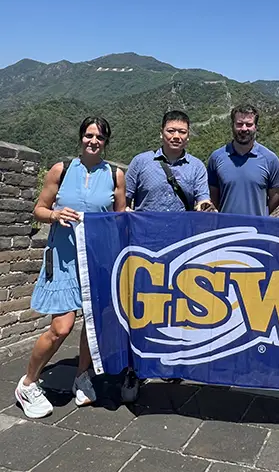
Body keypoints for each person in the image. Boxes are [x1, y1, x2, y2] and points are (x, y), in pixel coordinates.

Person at [15, 117, 126, 418]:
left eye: (99, 137)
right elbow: (38, 209)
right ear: (81, 139)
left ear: (106, 141)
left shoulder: (116, 175)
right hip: (63, 258)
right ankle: (27, 383)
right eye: (89, 135)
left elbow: (119, 218)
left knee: (91, 325)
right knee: (60, 328)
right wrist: (54, 215)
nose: (93, 141)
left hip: (97, 260)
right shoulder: (61, 170)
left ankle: (82, 375)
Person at [123, 109, 214, 401]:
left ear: (189, 135)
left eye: (182, 132)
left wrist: (204, 207)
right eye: (171, 130)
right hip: (143, 249)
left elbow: (202, 199)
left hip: (180, 251)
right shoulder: (141, 162)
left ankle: (169, 361)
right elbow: (124, 201)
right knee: (140, 310)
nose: (176, 136)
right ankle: (134, 370)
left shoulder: (197, 166)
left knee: (174, 309)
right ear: (162, 132)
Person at [207, 104, 279, 216]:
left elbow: (276, 195)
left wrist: (261, 214)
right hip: (225, 229)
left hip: (256, 230)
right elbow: (213, 196)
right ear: (232, 125)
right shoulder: (216, 157)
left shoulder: (270, 159)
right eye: (239, 124)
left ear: (255, 127)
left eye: (249, 124)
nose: (244, 128)